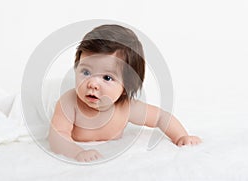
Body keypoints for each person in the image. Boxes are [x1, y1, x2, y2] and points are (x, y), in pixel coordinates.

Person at [48, 24, 201, 162]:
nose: (93, 84)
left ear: (126, 86)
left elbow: (161, 117)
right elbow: (57, 135)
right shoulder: (69, 102)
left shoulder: (127, 108)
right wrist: (77, 153)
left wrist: (181, 136)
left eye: (107, 77)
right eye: (86, 72)